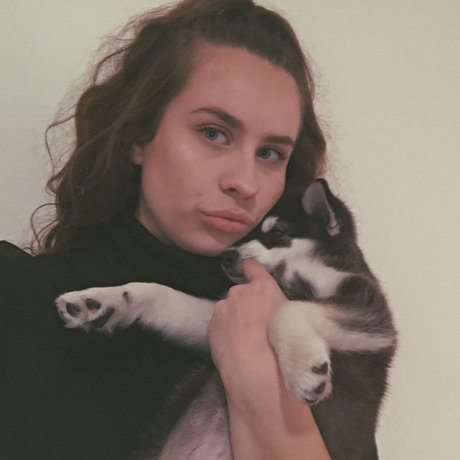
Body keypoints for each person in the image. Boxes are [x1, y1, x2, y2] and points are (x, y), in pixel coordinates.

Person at [0, 0, 349, 458]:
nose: (244, 183)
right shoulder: (15, 297)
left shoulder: (315, 340)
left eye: (270, 153)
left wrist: (262, 382)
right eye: (213, 133)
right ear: (138, 135)